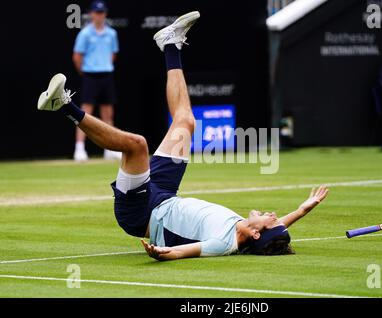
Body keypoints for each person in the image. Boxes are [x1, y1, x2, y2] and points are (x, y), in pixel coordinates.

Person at [37, 11, 329, 261]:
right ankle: (170, 45)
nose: (273, 213)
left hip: (141, 213)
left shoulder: (223, 244)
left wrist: (163, 253)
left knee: (137, 145)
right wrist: (302, 209)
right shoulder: (249, 230)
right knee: (186, 121)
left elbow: (185, 252)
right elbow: (279, 229)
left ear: (255, 233)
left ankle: (63, 105)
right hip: (164, 194)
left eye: (270, 219)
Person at [72, 0, 121, 161]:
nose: (99, 15)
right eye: (97, 12)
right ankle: (79, 148)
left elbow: (113, 55)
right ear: (92, 14)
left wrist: (103, 65)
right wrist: (86, 71)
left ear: (105, 14)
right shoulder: (85, 34)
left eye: (102, 12)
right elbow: (77, 57)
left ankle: (110, 148)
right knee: (85, 112)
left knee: (108, 113)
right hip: (90, 76)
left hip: (106, 75)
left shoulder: (112, 34)